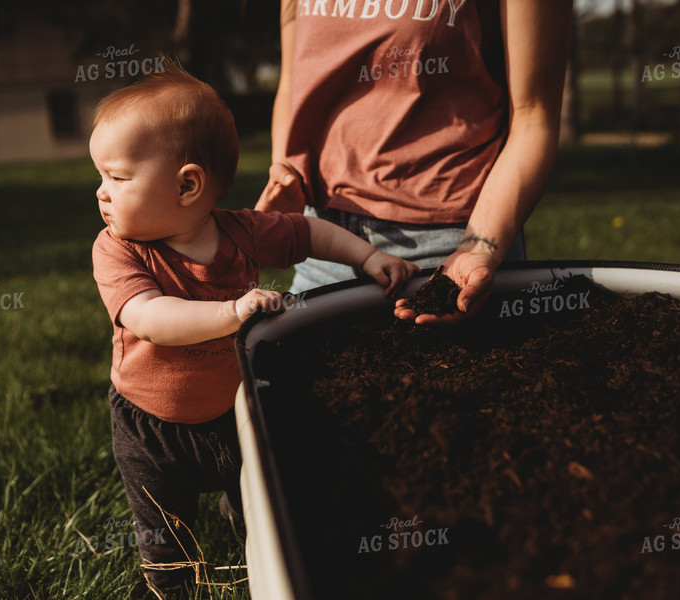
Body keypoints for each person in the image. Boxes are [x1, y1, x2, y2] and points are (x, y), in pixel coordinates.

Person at [90, 60, 419, 597]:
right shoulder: (117, 250)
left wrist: (369, 257)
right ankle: (176, 588)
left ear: (187, 185)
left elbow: (308, 232)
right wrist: (232, 312)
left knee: (260, 505)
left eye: (118, 177)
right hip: (152, 426)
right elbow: (149, 318)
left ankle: (260, 561)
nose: (101, 192)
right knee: (163, 532)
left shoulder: (241, 231)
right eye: (101, 177)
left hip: (235, 408)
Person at [256, 0, 573, 325]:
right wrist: (285, 169)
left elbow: (534, 119)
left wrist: (478, 248)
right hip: (324, 245)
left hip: (448, 251)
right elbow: (296, 81)